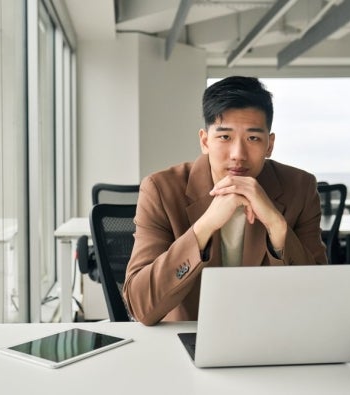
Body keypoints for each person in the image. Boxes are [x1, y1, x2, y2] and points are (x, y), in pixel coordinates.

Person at [123, 76, 327, 326]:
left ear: (269, 145)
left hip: (270, 338)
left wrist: (276, 225)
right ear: (205, 141)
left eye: (253, 138)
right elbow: (140, 306)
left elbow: (319, 300)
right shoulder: (161, 190)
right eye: (224, 137)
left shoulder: (300, 188)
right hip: (188, 338)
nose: (238, 155)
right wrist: (204, 227)